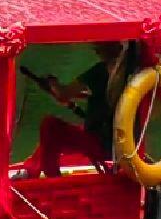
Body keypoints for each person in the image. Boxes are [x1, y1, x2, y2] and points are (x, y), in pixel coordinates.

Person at [29, 41, 136, 178]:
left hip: (101, 144)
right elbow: (106, 96)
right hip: (123, 144)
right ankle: (31, 168)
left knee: (50, 126)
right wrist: (74, 97)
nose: (96, 50)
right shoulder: (130, 71)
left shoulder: (100, 71)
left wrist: (52, 83)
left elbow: (63, 94)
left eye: (98, 46)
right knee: (55, 136)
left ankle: (53, 180)